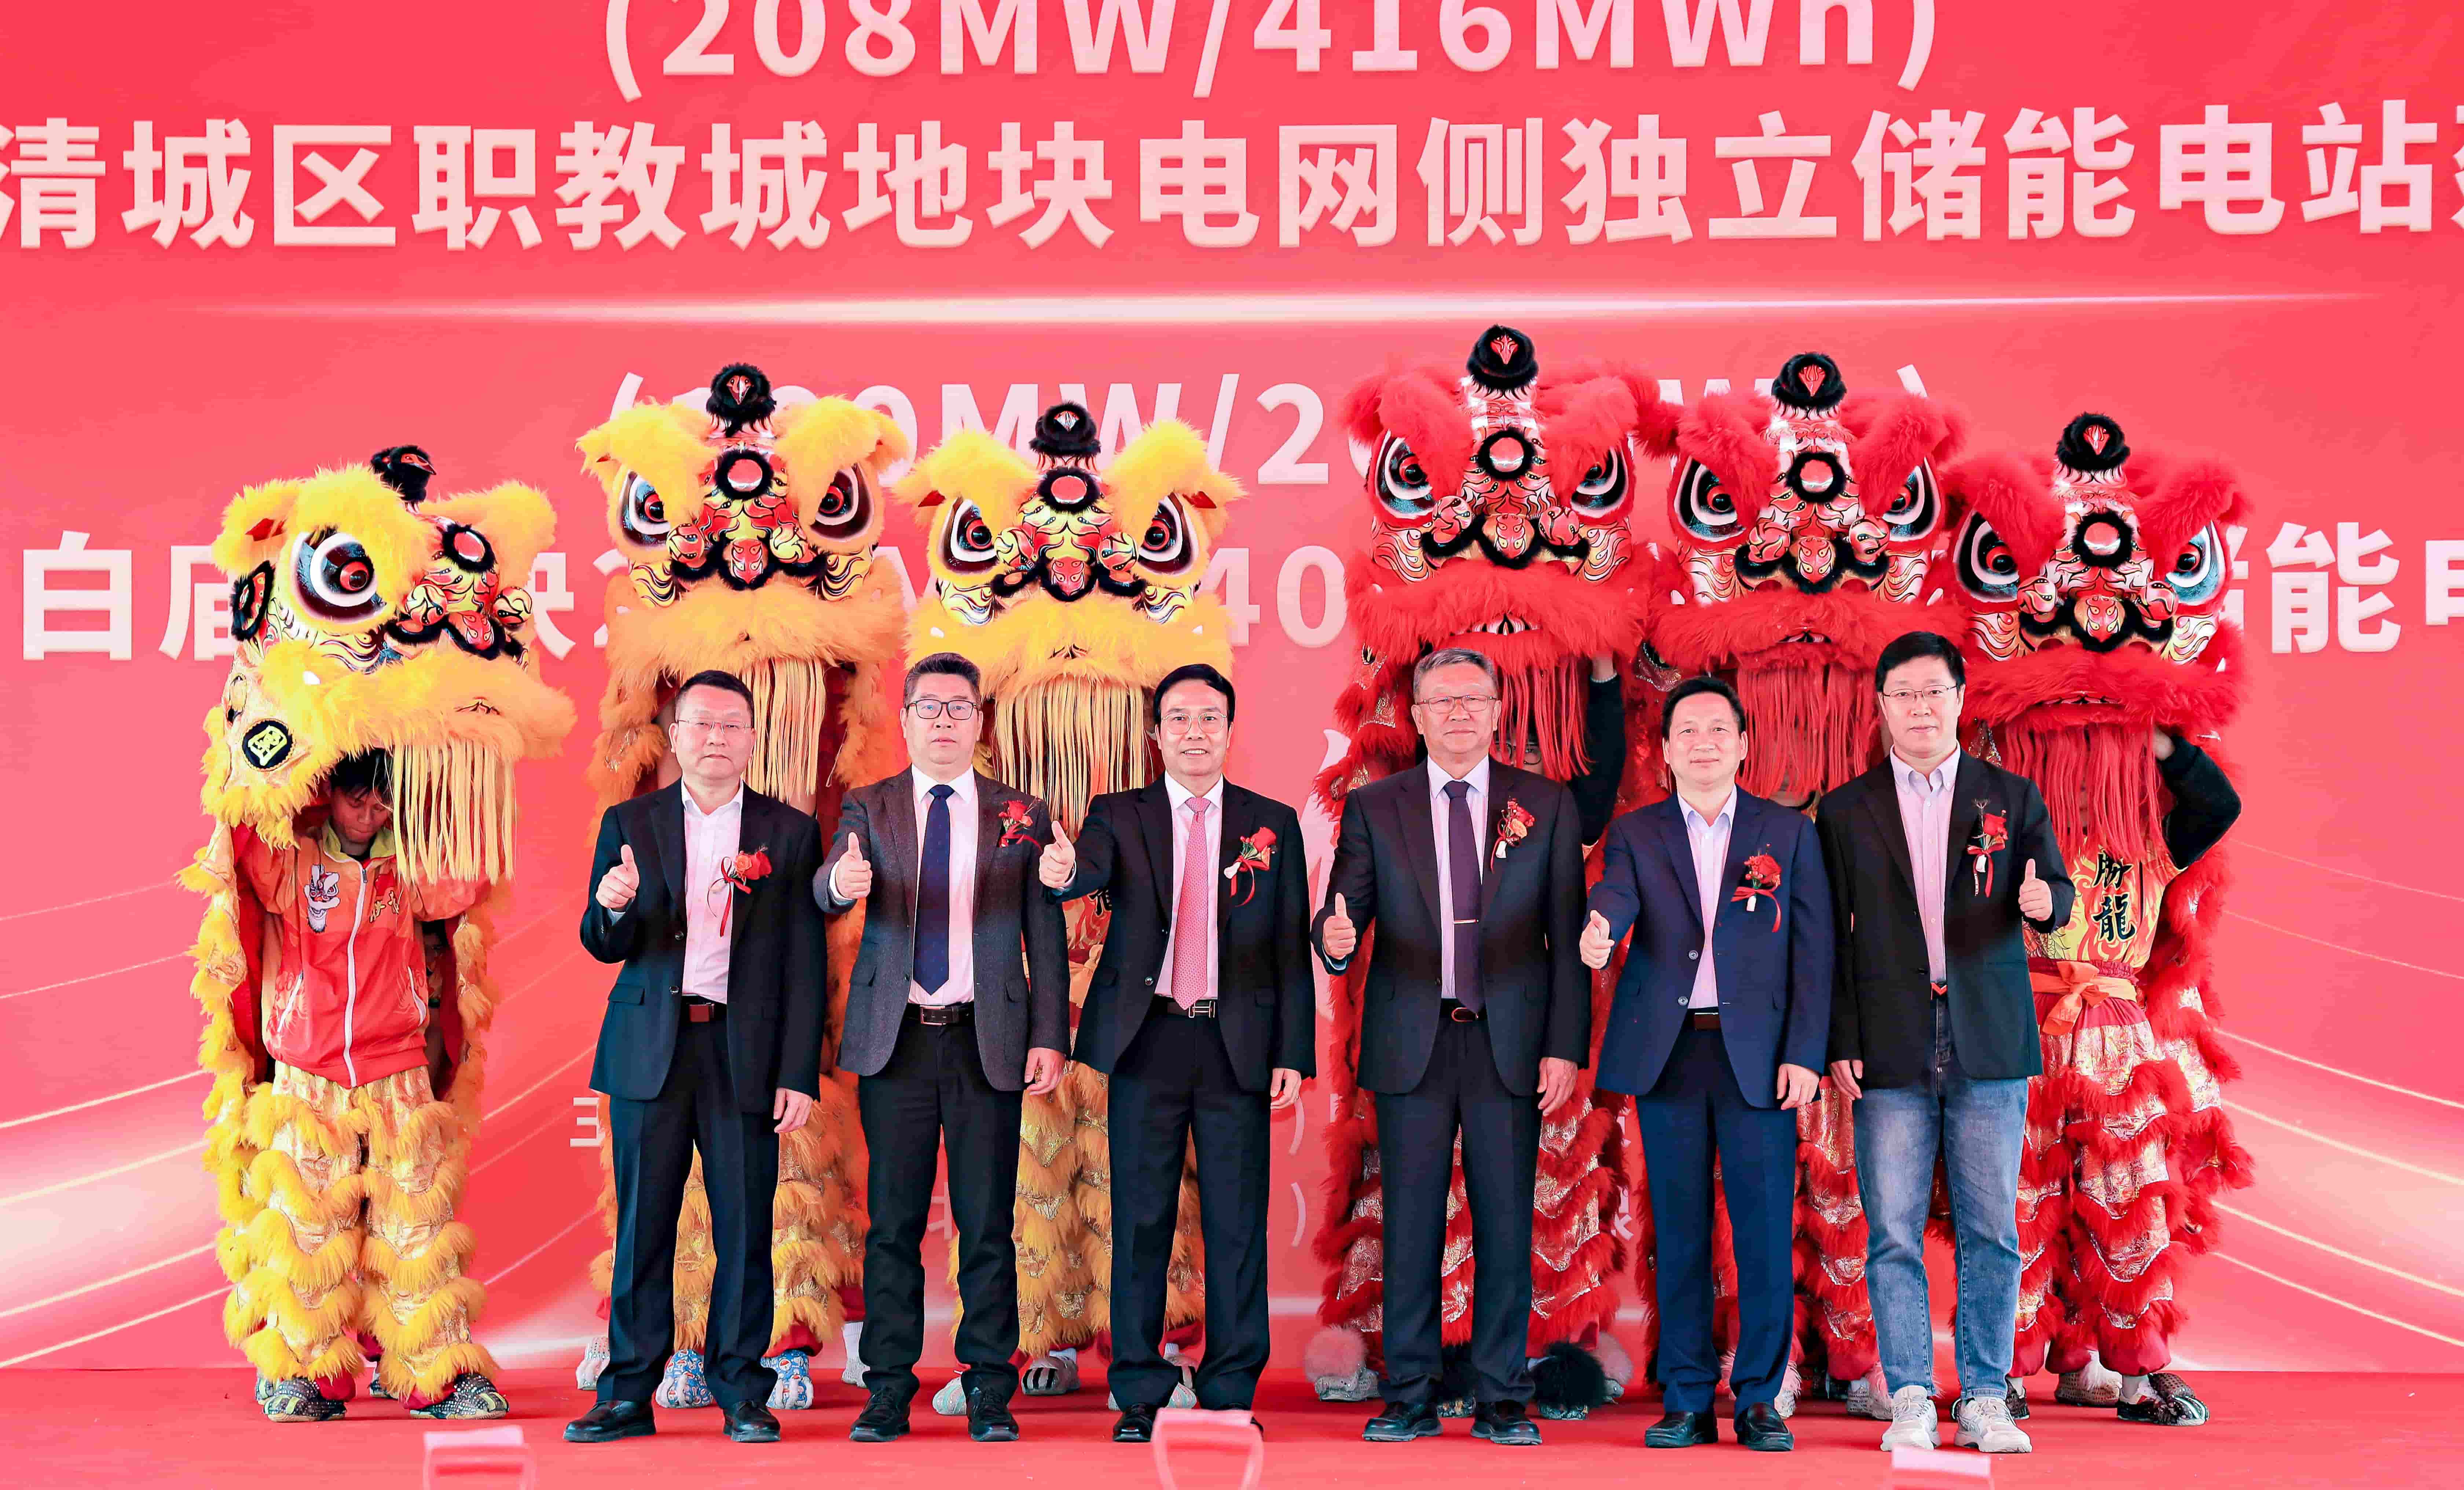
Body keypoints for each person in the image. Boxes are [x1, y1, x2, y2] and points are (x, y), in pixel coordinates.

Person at [1314, 645, 1588, 1448]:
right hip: (1414, 1039)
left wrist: (1563, 1046)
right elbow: (1343, 913)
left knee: (1506, 1225)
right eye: (1443, 701)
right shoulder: (1378, 807)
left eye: (1474, 699)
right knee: (1410, 1226)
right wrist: (1333, 938)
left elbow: (1566, 938)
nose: (1460, 713)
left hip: (1512, 1043)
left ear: (1499, 711)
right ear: (1418, 717)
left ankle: (1504, 1396)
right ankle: (1410, 1391)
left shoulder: (1544, 803)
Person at [1036, 663, 1313, 1442]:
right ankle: (1139, 1391)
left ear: (1231, 730)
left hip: (1237, 1042)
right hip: (1148, 1039)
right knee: (1141, 1222)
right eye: (1181, 719)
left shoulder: (1271, 822)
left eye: (1210, 718)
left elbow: (1290, 947)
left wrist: (1293, 1051)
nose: (1196, 732)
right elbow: (1086, 870)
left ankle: (1230, 1390)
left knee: (1237, 1226)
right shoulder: (1118, 814)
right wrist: (1064, 870)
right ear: (1157, 735)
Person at [1817, 633, 2075, 1455]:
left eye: (1934, 691)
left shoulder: (2010, 796)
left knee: (1991, 1228)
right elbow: (1827, 938)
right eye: (1904, 694)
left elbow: (2059, 889)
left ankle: (1987, 1396)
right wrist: (1840, 1036)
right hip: (1888, 1036)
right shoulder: (1846, 809)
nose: (1920, 707)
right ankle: (1911, 1395)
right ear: (1882, 706)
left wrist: (2045, 902)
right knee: (1892, 1229)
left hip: (1987, 1034)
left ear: (1960, 700)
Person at [566, 669, 828, 1447]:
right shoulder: (630, 821)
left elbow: (805, 963)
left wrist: (797, 1071)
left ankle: (742, 1390)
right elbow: (603, 944)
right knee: (643, 1226)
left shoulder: (787, 833)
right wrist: (612, 905)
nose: (716, 738)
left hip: (744, 1052)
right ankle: (627, 1393)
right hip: (651, 1045)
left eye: (731, 725)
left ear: (752, 740)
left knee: (745, 1227)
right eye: (701, 725)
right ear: (675, 736)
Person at [817, 652, 1070, 1445]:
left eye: (960, 707)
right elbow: (828, 883)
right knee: (892, 1225)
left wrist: (1049, 1035)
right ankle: (889, 1388)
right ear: (905, 719)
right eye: (929, 707)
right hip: (896, 1041)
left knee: (987, 1224)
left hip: (985, 1039)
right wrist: (841, 886)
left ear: (979, 720)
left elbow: (1044, 931)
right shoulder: (871, 806)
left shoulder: (1020, 813)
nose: (944, 721)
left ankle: (989, 1386)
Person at [1581, 676, 1831, 1453]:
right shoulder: (1637, 832)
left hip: (1760, 1056)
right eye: (1687, 730)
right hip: (1671, 1054)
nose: (1704, 743)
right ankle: (1687, 1397)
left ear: (1744, 744)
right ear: (1664, 749)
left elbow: (1815, 952)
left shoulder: (1785, 832)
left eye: (1719, 729)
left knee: (1763, 1234)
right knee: (1681, 1234)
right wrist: (1600, 928)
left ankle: (1760, 1397)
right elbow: (1617, 896)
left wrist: (1805, 1054)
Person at [225, 750, 506, 1423]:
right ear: (331, 792)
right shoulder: (291, 861)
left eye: (384, 805)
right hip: (306, 1070)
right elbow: (240, 828)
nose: (369, 816)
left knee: (415, 1225)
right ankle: (304, 1373)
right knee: (307, 1230)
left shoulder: (408, 866)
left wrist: (457, 765)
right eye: (359, 801)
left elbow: (468, 877)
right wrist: (270, 748)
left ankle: (436, 1374)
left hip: (397, 1068)